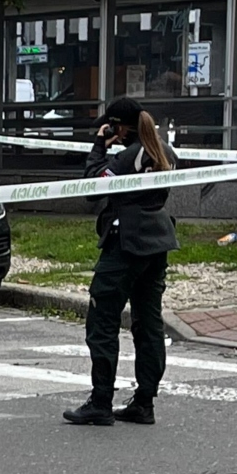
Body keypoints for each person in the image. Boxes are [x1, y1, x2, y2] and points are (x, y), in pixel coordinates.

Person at [64, 97, 180, 427]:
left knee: (102, 319)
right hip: (158, 242)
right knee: (149, 322)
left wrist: (99, 146)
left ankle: (101, 401)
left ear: (120, 127)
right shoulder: (165, 151)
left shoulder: (128, 157)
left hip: (126, 243)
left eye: (112, 126)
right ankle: (144, 402)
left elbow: (92, 187)